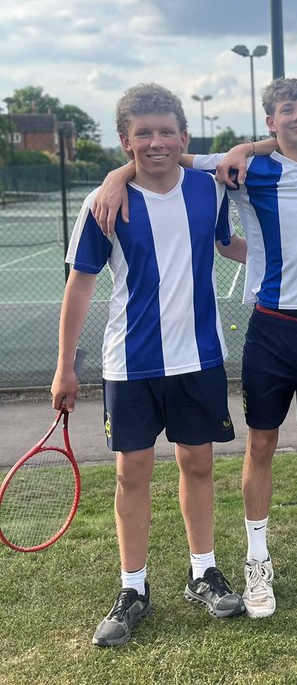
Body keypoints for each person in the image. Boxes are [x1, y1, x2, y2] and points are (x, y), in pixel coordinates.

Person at [93, 77, 297, 619]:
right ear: (271, 119)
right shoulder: (243, 171)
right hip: (270, 326)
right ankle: (256, 564)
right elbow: (165, 156)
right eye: (286, 110)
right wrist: (117, 174)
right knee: (259, 446)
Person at [51, 83, 247, 647]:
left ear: (184, 138)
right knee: (130, 473)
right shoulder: (104, 202)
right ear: (125, 140)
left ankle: (203, 572)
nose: (156, 142)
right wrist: (66, 367)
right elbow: (80, 285)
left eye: (166, 132)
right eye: (144, 133)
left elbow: (226, 243)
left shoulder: (209, 192)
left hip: (199, 358)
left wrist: (295, 254)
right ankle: (133, 587)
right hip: (129, 365)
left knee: (199, 465)